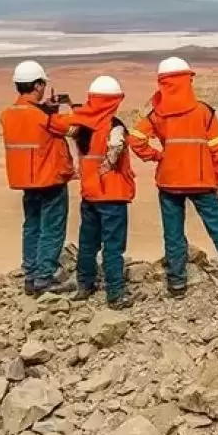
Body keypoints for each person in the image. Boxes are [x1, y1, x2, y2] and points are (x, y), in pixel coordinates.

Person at [127, 56, 218, 297]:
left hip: (169, 182)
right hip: (202, 181)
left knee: (173, 232)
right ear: (188, 80)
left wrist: (158, 157)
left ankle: (177, 284)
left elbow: (135, 139)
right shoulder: (204, 112)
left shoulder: (157, 115)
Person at [0, 60, 77, 296]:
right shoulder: (42, 118)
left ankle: (31, 275)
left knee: (31, 227)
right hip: (50, 181)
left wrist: (44, 109)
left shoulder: (7, 114)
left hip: (26, 181)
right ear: (37, 85)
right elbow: (68, 129)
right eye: (42, 84)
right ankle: (45, 277)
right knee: (52, 229)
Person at [68, 75, 136, 309]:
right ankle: (115, 294)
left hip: (90, 194)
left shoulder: (81, 126)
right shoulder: (114, 126)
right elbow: (116, 146)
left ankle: (84, 285)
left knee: (88, 243)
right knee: (113, 246)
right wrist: (109, 163)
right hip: (113, 194)